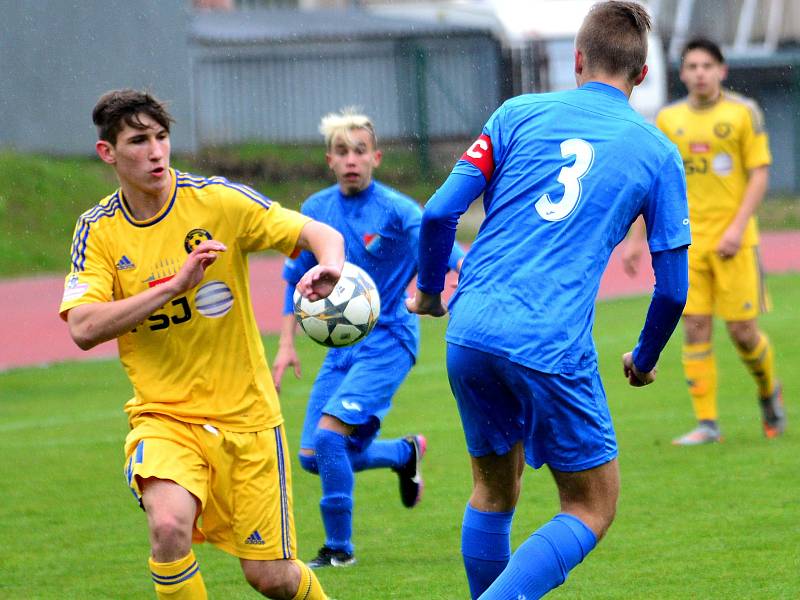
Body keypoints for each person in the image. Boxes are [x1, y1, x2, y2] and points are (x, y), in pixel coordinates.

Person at [407, 2, 690, 598]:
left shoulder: (516, 112)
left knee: (493, 491)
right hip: (549, 340)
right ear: (641, 77)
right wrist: (643, 358)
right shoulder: (657, 151)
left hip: (471, 329)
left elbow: (437, 212)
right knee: (592, 505)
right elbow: (674, 291)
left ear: (578, 59)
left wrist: (431, 292)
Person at [59, 89, 343, 600]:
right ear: (108, 153)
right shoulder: (98, 231)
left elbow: (314, 231)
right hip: (165, 417)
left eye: (162, 138)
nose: (156, 152)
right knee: (167, 528)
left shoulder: (216, 201)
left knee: (271, 578)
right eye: (139, 140)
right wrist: (172, 287)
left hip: (247, 420)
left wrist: (332, 265)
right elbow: (82, 328)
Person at [273, 109, 464, 568]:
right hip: (341, 349)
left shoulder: (397, 210)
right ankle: (404, 453)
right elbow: (295, 277)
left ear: (376, 157)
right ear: (330, 160)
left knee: (330, 438)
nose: (352, 159)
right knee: (313, 456)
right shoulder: (316, 211)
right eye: (342, 152)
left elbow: (448, 248)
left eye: (360, 151)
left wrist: (465, 283)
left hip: (390, 340)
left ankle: (339, 550)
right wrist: (285, 344)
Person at [623, 38, 785, 445]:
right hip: (687, 242)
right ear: (682, 73)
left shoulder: (743, 113)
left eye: (707, 66)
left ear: (722, 70)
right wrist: (635, 238)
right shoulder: (668, 120)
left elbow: (759, 173)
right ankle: (708, 424)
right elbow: (653, 184)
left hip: (735, 242)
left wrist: (736, 227)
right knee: (694, 326)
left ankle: (768, 389)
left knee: (743, 332)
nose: (699, 73)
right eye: (692, 66)